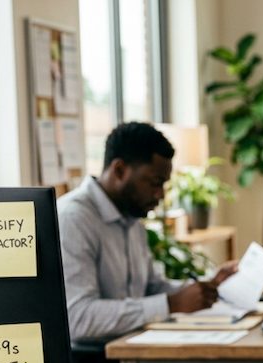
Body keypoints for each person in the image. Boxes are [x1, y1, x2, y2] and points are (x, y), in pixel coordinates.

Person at [59, 121, 238, 344]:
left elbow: (152, 288)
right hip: (95, 358)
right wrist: (172, 304)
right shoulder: (73, 219)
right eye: (155, 183)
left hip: (135, 347)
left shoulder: (132, 218)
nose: (160, 195)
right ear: (119, 170)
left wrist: (208, 285)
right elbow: (78, 317)